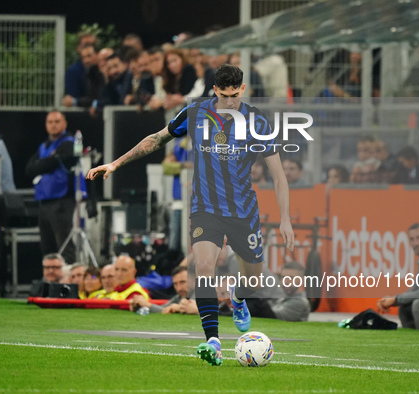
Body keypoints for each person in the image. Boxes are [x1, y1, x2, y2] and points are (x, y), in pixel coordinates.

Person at [86, 64, 294, 366]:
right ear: (215, 91)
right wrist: (116, 163)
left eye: (235, 95)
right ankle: (213, 341)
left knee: (253, 278)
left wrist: (285, 217)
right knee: (204, 267)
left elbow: (278, 175)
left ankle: (237, 298)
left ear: (243, 90)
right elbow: (157, 138)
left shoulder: (257, 120)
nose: (230, 102)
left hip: (243, 211)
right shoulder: (195, 113)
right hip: (204, 208)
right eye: (224, 96)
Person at [25, 110, 80, 264]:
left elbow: (53, 162)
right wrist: (48, 162)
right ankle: (50, 283)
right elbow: (29, 169)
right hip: (44, 201)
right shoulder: (44, 146)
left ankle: (69, 283)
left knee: (64, 245)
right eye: (50, 122)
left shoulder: (69, 143)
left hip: (62, 201)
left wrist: (45, 163)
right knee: (47, 248)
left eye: (57, 122)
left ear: (64, 124)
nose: (53, 125)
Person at [65, 32, 97, 100]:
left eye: (92, 45)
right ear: (78, 48)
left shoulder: (102, 68)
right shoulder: (73, 71)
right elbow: (72, 98)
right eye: (86, 45)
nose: (89, 48)